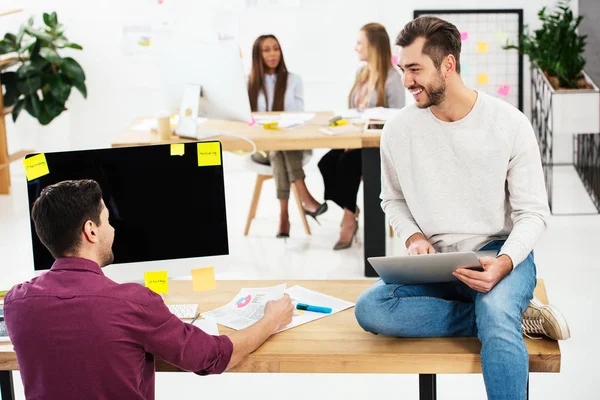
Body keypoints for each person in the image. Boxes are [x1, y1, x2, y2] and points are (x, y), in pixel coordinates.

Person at [354, 16, 570, 400]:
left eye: (415, 69)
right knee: (371, 308)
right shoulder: (398, 131)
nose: (406, 82)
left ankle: (498, 316)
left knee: (497, 318)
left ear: (448, 65)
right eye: (403, 70)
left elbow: (533, 213)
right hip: (437, 262)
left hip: (497, 255)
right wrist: (415, 236)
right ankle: (498, 316)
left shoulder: (508, 123)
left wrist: (504, 263)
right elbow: (393, 198)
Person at [3, 179, 294, 400]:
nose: (113, 230)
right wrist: (271, 320)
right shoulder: (134, 304)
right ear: (91, 231)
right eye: (107, 220)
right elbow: (213, 356)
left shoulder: (16, 303)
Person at [318, 23, 404, 250]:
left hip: (375, 146)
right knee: (325, 163)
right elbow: (353, 110)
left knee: (348, 165)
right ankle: (352, 208)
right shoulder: (361, 72)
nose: (356, 48)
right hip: (353, 139)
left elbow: (398, 120)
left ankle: (348, 219)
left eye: (360, 43)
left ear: (373, 46)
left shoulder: (394, 79)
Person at [248, 34, 326, 238]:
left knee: (279, 148)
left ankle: (284, 217)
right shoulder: (248, 84)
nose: (273, 53)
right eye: (266, 50)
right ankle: (305, 196)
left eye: (276, 48)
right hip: (259, 149)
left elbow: (297, 117)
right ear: (258, 54)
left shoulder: (293, 80)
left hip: (289, 144)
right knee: (275, 148)